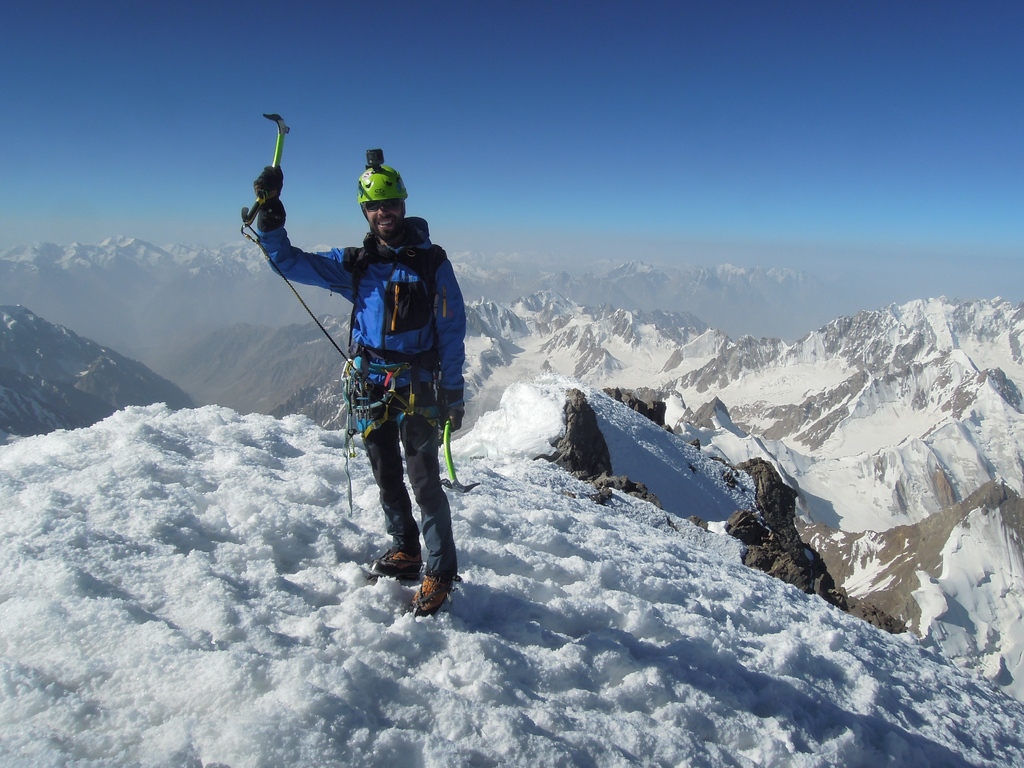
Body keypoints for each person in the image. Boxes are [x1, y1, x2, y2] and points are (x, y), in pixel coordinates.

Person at [251, 151, 467, 616]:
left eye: (390, 202)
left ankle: (440, 573)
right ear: (364, 211)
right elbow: (288, 262)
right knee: (386, 472)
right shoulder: (357, 265)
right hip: (372, 384)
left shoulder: (433, 264)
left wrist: (453, 391)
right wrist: (270, 218)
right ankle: (406, 548)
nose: (383, 211)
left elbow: (451, 330)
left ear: (403, 205)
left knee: (425, 481)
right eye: (374, 205)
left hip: (421, 387)